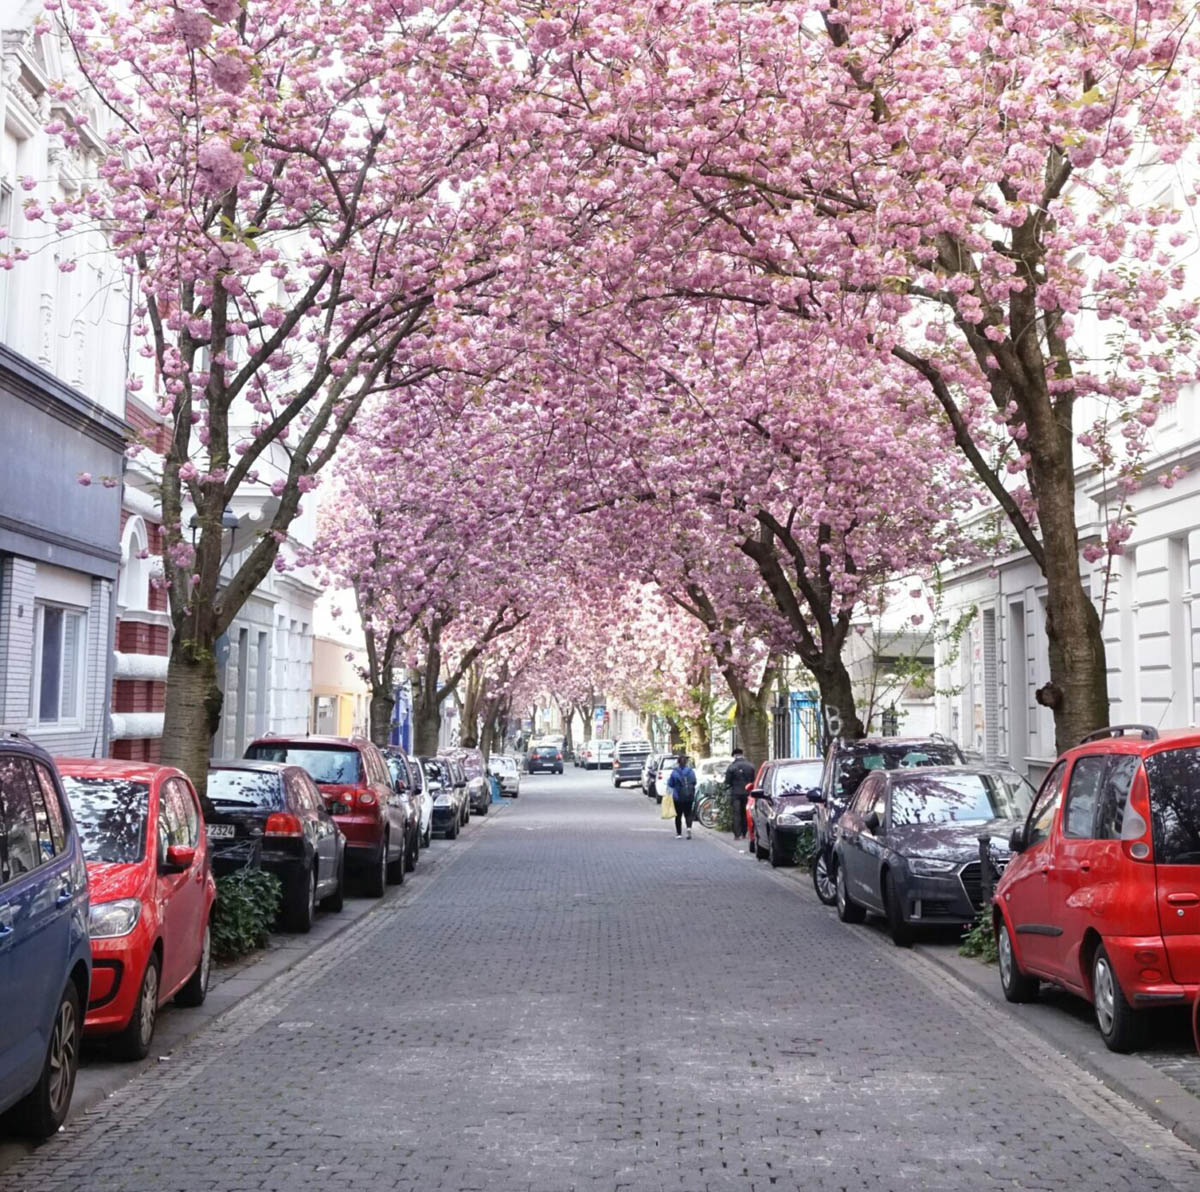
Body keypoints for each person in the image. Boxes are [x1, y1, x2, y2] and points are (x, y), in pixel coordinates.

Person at [724, 748, 757, 844]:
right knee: (745, 813)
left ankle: (737, 835)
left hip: (736, 793)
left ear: (734, 756)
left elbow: (727, 782)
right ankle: (745, 832)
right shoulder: (750, 766)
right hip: (747, 793)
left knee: (736, 813)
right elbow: (753, 780)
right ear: (742, 754)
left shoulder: (731, 767)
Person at [666, 753, 697, 839]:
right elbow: (694, 782)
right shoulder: (691, 772)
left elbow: (670, 784)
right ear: (686, 762)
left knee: (678, 815)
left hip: (677, 797)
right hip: (689, 796)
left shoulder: (674, 772)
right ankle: (689, 828)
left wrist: (668, 795)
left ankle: (679, 833)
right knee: (688, 813)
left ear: (678, 762)